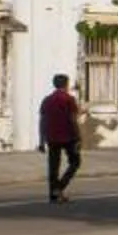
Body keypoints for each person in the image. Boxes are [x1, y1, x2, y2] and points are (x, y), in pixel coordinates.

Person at [38, 72, 83, 203]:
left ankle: (53, 195)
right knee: (75, 162)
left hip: (51, 137)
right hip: (68, 136)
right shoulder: (69, 99)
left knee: (53, 167)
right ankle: (59, 188)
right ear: (66, 84)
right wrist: (79, 136)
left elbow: (42, 121)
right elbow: (73, 119)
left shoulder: (47, 100)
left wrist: (41, 140)